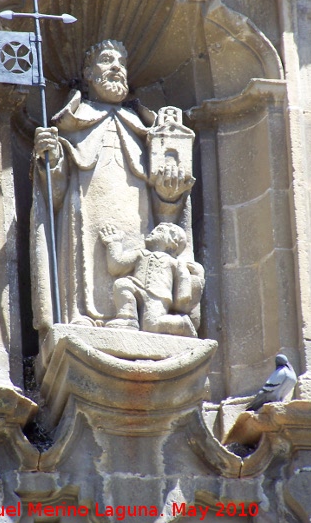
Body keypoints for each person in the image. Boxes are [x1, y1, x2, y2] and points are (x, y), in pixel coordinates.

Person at [31, 39, 200, 335]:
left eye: (121, 62)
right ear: (88, 73)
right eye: (107, 60)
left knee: (128, 270)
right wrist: (52, 159)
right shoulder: (72, 123)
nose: (116, 68)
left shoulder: (145, 128)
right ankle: (80, 317)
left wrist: (169, 190)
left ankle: (138, 315)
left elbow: (165, 201)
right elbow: (53, 195)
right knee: (84, 261)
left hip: (135, 218)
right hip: (85, 211)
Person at [100, 222, 203, 337]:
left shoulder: (175, 262)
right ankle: (128, 318)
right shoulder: (141, 254)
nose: (152, 231)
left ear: (172, 242)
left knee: (151, 325)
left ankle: (182, 323)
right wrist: (114, 243)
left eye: (159, 231)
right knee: (122, 284)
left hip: (158, 296)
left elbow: (183, 281)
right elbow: (117, 266)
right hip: (137, 285)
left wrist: (197, 276)